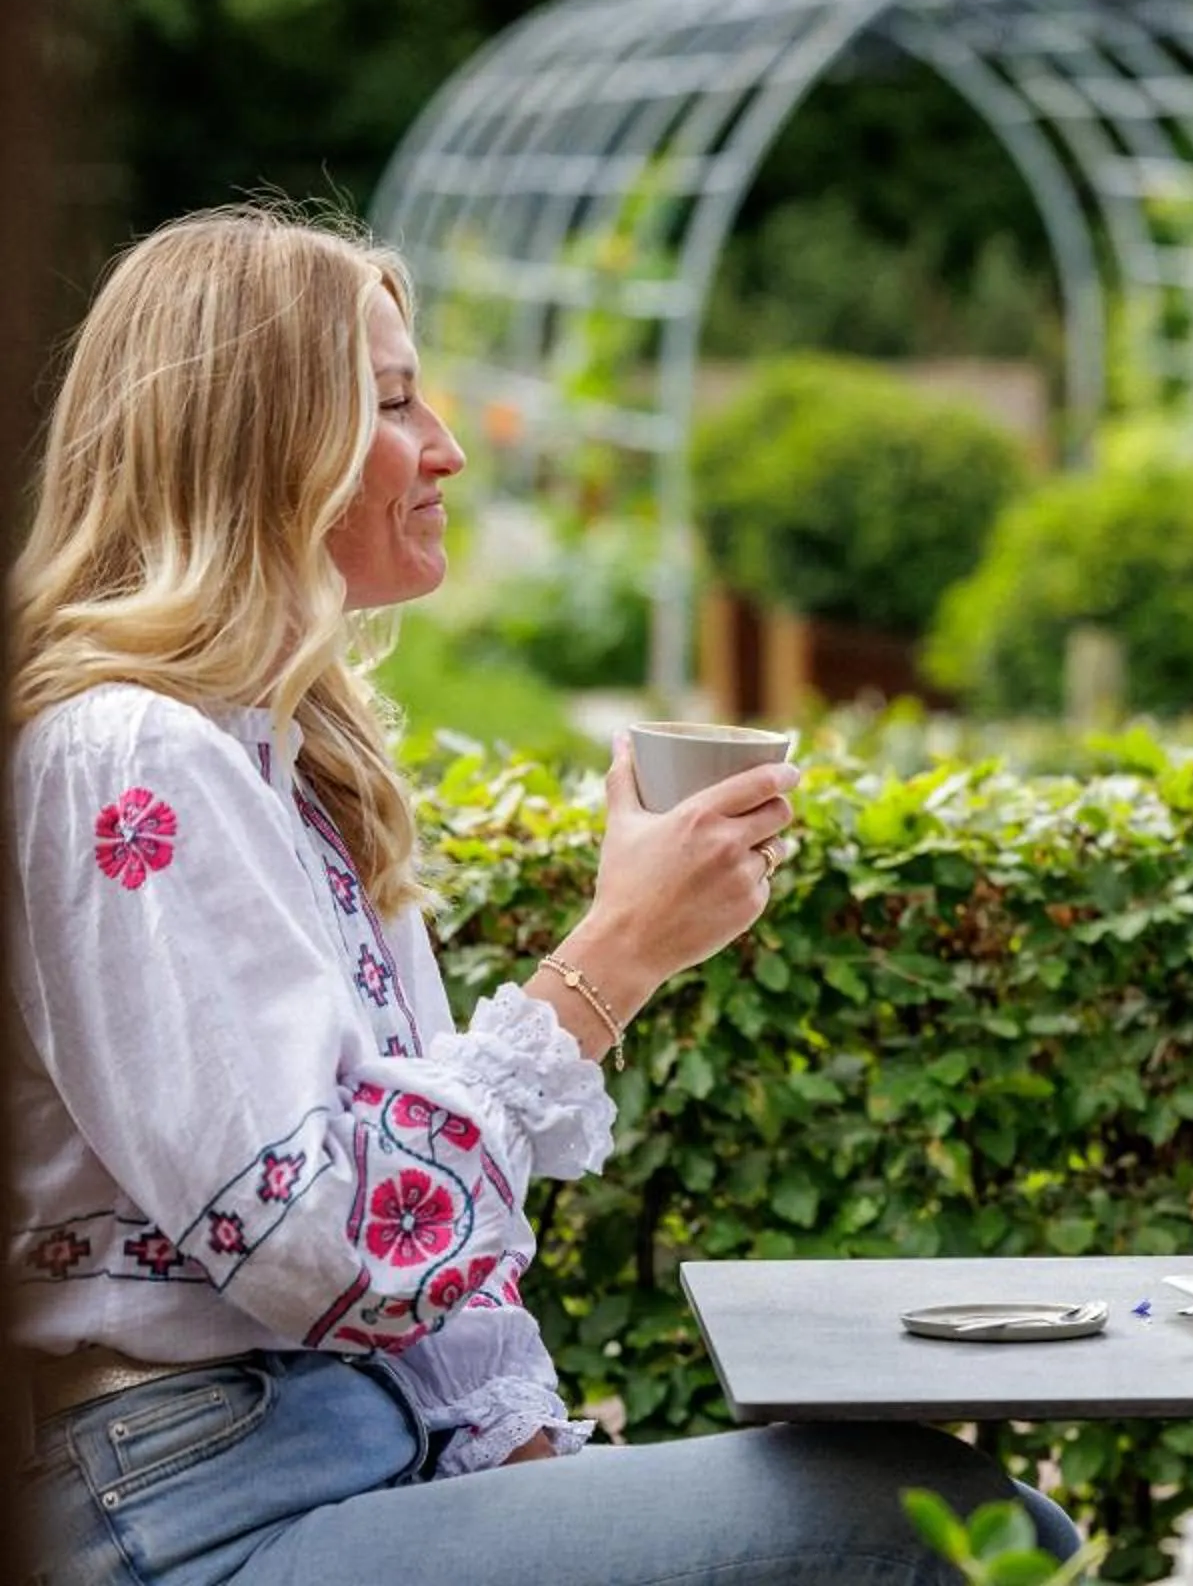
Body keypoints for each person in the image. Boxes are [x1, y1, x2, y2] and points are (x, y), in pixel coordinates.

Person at [6, 207, 1081, 1583]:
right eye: (393, 403)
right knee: (948, 1532)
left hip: (346, 1476)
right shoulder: (124, 758)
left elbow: (421, 1299)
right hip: (198, 1511)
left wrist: (542, 1475)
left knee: (963, 1518)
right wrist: (612, 955)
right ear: (263, 443)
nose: (448, 446)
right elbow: (316, 1239)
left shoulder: (298, 772)